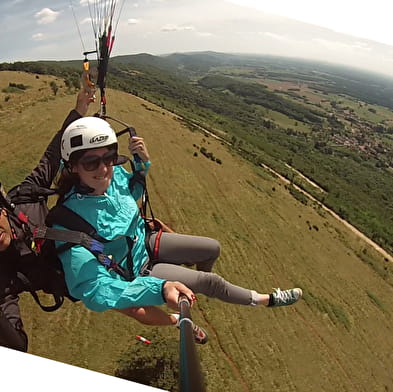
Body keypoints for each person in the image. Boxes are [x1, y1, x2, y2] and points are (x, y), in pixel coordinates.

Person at [53, 116, 303, 329]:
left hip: (146, 241)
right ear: (72, 166)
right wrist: (159, 290)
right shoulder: (68, 221)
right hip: (136, 270)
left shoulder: (116, 175)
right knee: (210, 282)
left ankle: (203, 286)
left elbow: (132, 195)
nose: (104, 168)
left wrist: (142, 165)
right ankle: (265, 300)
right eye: (91, 162)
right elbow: (94, 290)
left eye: (108, 157)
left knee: (212, 247)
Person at [0, 88, 199, 352]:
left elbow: (52, 156)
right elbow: (16, 347)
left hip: (93, 248)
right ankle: (176, 321)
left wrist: (79, 111)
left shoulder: (23, 197)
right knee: (136, 310)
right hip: (82, 276)